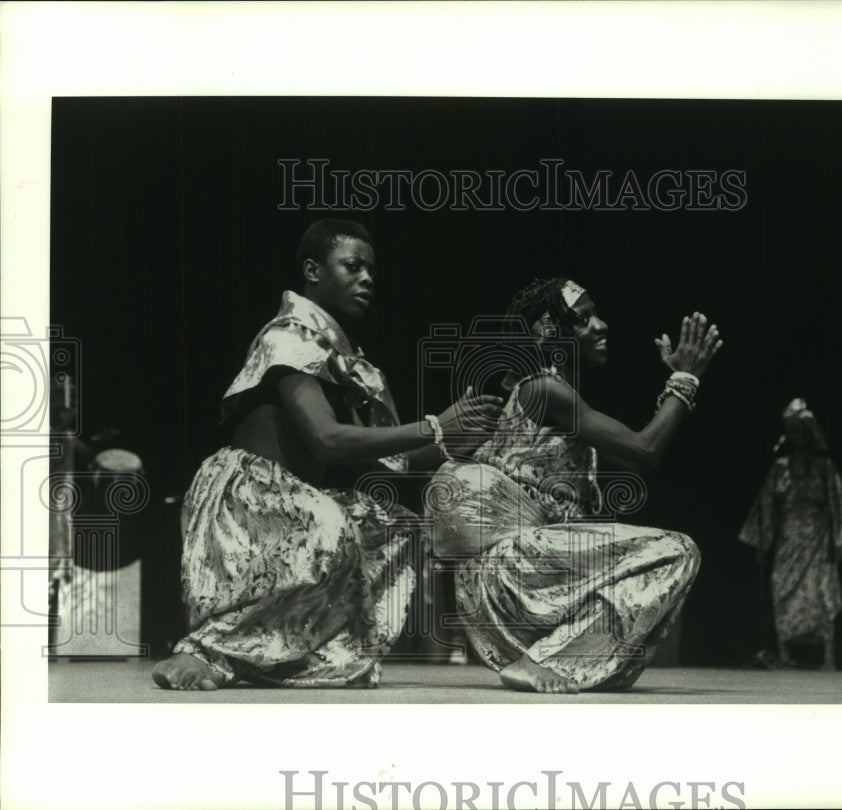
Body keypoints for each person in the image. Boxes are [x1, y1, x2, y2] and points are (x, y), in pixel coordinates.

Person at [152, 219, 501, 690]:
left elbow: (382, 462)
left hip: (296, 496)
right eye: (353, 267)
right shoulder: (290, 337)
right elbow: (326, 441)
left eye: (371, 270)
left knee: (393, 526)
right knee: (328, 524)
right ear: (313, 271)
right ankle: (207, 649)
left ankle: (289, 652)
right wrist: (435, 424)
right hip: (250, 494)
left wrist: (453, 443)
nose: (367, 279)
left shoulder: (342, 359)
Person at [427, 278, 722, 693]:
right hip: (516, 573)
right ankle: (543, 660)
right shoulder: (543, 388)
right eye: (583, 320)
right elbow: (643, 452)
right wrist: (685, 378)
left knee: (626, 615)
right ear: (550, 333)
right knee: (676, 551)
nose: (601, 326)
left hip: (517, 585)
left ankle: (546, 655)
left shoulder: (533, 390)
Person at [739, 398, 842, 670]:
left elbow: (837, 501)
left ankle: (828, 654)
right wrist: (761, 543)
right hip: (788, 536)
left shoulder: (824, 467)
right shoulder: (780, 466)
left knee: (821, 589)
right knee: (782, 587)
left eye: (802, 432)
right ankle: (784, 653)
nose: (798, 438)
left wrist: (841, 540)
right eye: (793, 433)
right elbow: (767, 505)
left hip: (818, 535)